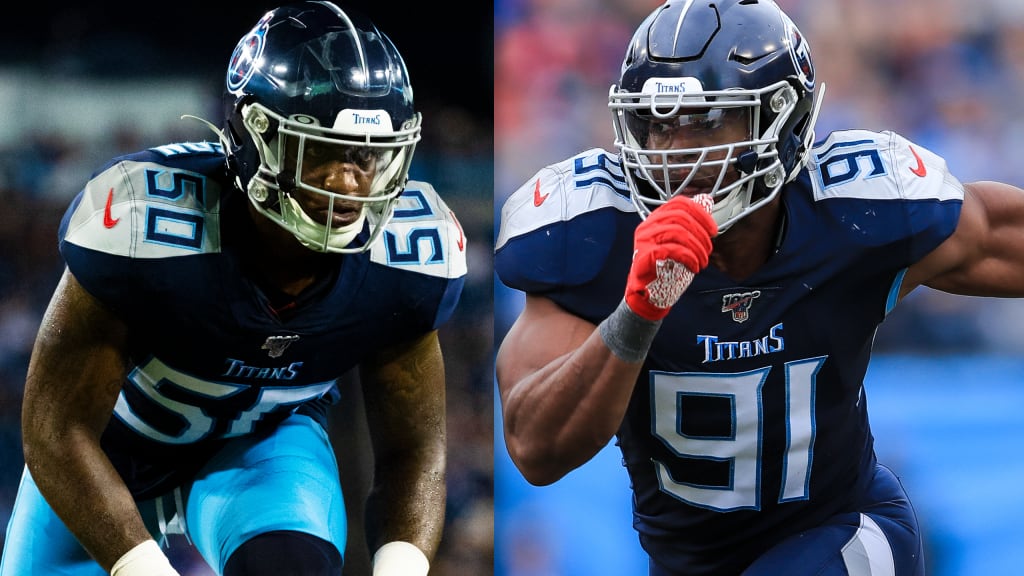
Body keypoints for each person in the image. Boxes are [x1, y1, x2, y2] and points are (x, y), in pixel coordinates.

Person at [494, 0, 1024, 574]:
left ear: (782, 119)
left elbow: (999, 234)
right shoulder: (593, 233)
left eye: (707, 120)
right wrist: (636, 315)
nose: (675, 153)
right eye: (658, 124)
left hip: (844, 530)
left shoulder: (856, 212)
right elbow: (534, 449)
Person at [0, 2, 467, 575]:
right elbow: (56, 429)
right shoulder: (145, 226)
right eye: (319, 151)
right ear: (254, 136)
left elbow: (415, 452)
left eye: (368, 158)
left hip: (263, 450)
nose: (350, 183)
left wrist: (401, 566)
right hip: (104, 452)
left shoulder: (409, 256)